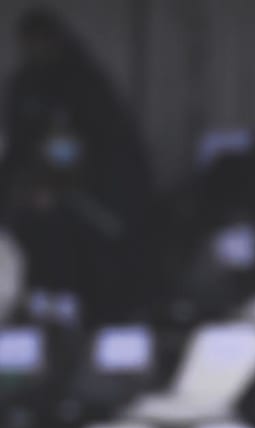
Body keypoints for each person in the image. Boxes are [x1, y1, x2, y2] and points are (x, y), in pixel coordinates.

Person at [0, 6, 153, 323]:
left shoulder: (82, 82)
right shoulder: (24, 84)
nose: (34, 52)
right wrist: (25, 184)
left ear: (54, 41)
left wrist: (56, 180)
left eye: (40, 43)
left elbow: (79, 144)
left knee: (86, 259)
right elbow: (19, 143)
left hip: (92, 199)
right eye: (28, 45)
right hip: (42, 201)